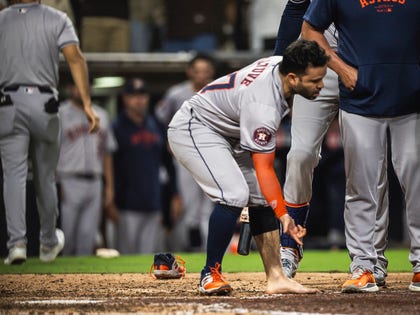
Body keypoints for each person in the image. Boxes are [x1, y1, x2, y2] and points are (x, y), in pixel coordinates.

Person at [168, 39, 328, 295]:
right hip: (197, 127)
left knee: (260, 198)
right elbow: (264, 167)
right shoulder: (263, 104)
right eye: (314, 81)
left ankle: (277, 277)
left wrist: (275, 206)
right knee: (234, 194)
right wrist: (284, 214)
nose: (321, 85)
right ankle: (210, 274)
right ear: (292, 78)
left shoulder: (280, 66)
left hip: (229, 131)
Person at [301, 0, 420, 293]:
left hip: (413, 99)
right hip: (360, 99)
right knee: (361, 187)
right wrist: (341, 69)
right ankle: (364, 266)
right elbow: (309, 30)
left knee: (417, 182)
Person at [273, 0, 389, 288]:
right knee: (299, 155)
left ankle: (372, 258)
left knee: (368, 162)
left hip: (364, 62)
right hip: (315, 64)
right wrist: (276, 66)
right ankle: (289, 246)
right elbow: (295, 10)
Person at [0, 0, 98, 265]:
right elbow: (75, 58)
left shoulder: (2, 19)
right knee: (45, 177)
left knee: (14, 176)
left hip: (7, 102)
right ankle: (47, 243)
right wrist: (87, 104)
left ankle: (17, 244)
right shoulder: (57, 17)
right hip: (44, 103)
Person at [155, 54, 216, 252]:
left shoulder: (217, 90)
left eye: (206, 71)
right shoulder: (176, 94)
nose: (202, 75)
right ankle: (185, 250)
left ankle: (210, 251)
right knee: (187, 208)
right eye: (197, 70)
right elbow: (159, 119)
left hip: (211, 156)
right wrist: (168, 142)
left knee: (209, 207)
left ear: (211, 72)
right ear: (189, 71)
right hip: (185, 156)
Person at [112, 78, 172, 254]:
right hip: (126, 203)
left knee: (149, 254)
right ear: (125, 99)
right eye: (133, 96)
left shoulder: (156, 125)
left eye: (142, 95)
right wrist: (110, 201)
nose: (138, 100)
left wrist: (172, 195)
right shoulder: (117, 126)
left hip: (153, 199)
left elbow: (167, 164)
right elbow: (110, 166)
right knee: (126, 253)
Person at [56, 83, 117, 256]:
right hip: (69, 179)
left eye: (84, 85)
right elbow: (49, 152)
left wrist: (109, 187)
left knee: (88, 236)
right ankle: (59, 281)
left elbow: (107, 153)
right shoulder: (60, 113)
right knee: (67, 237)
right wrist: (55, 182)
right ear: (70, 88)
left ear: (90, 87)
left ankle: (82, 281)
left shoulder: (102, 115)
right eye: (76, 85)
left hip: (95, 181)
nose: (80, 89)